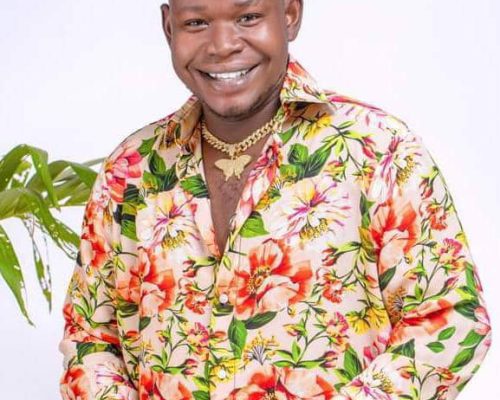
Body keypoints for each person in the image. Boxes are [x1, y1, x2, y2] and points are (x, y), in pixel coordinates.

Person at [59, 1, 492, 399]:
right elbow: (90, 339)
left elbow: (452, 319)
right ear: (168, 27)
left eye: (247, 17)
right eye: (196, 22)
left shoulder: (377, 149)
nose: (222, 45)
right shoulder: (130, 169)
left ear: (290, 14)